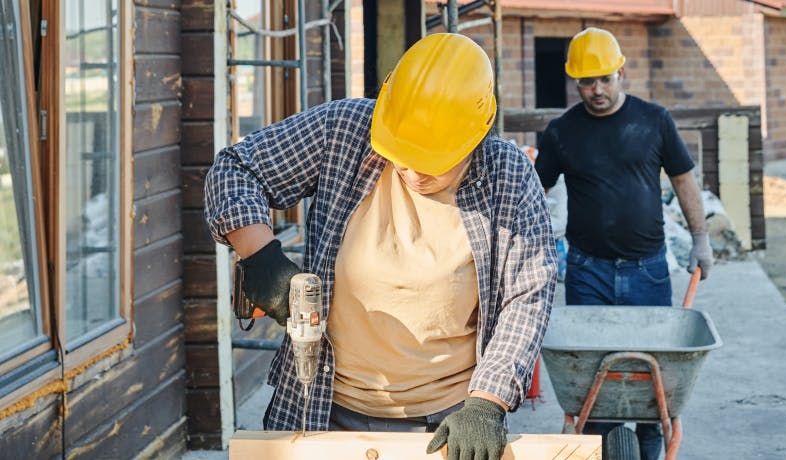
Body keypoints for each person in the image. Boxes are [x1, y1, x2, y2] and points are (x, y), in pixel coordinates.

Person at [204, 33, 556, 460]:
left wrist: (487, 402)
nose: (410, 169)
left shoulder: (509, 174)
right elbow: (236, 167)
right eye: (400, 151)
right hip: (319, 404)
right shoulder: (344, 130)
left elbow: (527, 296)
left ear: (476, 134)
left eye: (430, 159)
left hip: (446, 420)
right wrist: (261, 256)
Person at [533, 27, 713, 460]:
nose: (596, 90)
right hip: (586, 271)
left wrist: (701, 237)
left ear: (621, 71)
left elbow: (683, 179)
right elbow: (534, 193)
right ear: (576, 83)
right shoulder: (562, 133)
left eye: (604, 79)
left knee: (653, 394)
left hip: (646, 271)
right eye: (586, 82)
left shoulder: (654, 120)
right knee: (593, 389)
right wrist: (527, 247)